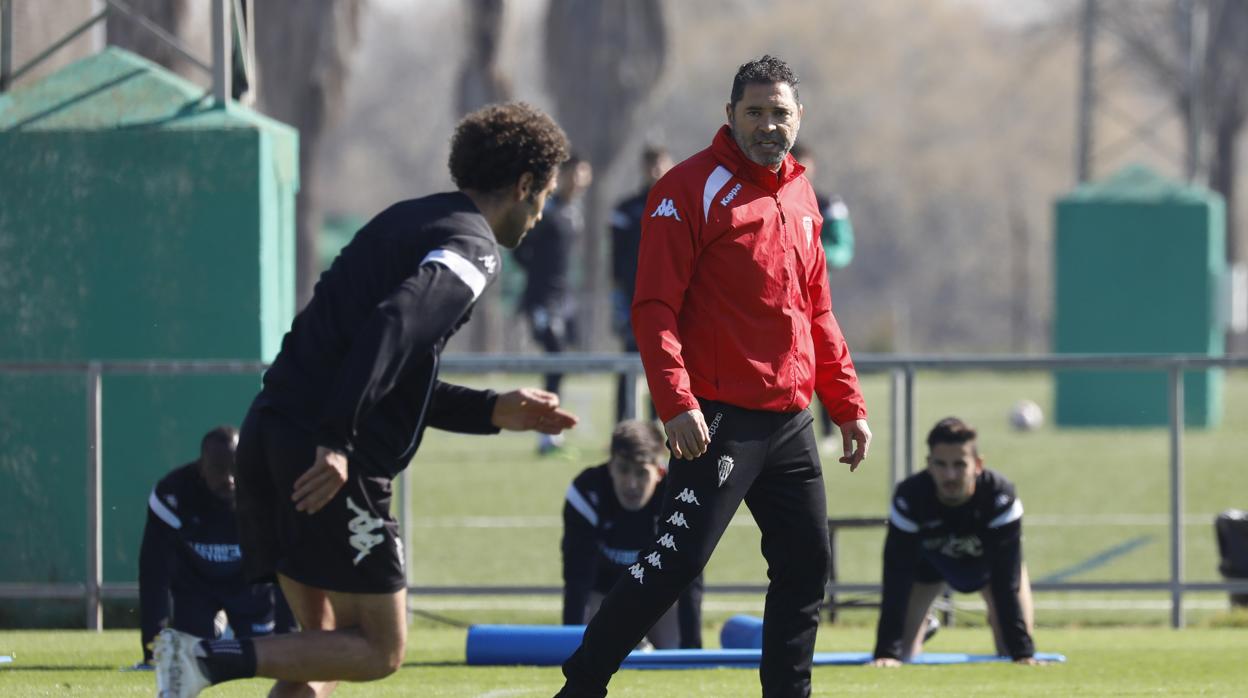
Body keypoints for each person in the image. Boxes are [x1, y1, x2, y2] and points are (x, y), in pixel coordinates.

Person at [154, 102, 579, 698]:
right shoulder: (474, 247)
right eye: (545, 197)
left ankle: (206, 659)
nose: (540, 216)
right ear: (525, 184)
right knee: (379, 648)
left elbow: (378, 363)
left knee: (320, 650)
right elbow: (394, 325)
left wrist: (487, 410)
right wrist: (336, 440)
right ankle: (205, 659)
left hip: (271, 433)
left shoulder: (411, 219)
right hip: (325, 462)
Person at [557, 55, 873, 698]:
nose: (768, 125)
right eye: (754, 112)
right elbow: (653, 308)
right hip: (718, 418)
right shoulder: (686, 189)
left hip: (790, 421)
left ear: (798, 118)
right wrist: (675, 401)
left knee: (806, 567)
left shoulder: (803, 193)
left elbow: (817, 309)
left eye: (779, 113)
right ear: (729, 116)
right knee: (675, 562)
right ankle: (583, 685)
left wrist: (847, 404)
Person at [870, 417, 1040, 666]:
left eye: (959, 464)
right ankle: (925, 623)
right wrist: (886, 653)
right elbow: (897, 576)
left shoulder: (999, 496)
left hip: (994, 572)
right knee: (903, 655)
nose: (950, 475)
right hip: (930, 569)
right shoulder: (910, 497)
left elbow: (1007, 580)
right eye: (941, 464)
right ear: (929, 464)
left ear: (978, 464)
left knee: (1009, 650)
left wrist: (1023, 653)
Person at [132, 426, 295, 671]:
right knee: (194, 654)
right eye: (219, 469)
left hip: (248, 584)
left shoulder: (264, 491)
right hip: (196, 586)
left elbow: (285, 564)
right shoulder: (174, 493)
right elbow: (154, 571)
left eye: (234, 469)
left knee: (262, 655)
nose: (228, 479)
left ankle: (234, 631)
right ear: (201, 466)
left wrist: (287, 637)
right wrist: (152, 650)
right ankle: (216, 628)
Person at [562, 420, 703, 650]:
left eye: (641, 473)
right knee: (589, 648)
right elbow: (577, 578)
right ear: (610, 466)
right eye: (623, 469)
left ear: (659, 472)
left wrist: (692, 648)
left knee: (676, 648)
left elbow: (690, 575)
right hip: (604, 593)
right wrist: (567, 645)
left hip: (657, 593)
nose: (632, 484)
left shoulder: (679, 494)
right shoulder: (587, 493)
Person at [513, 154, 594, 454]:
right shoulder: (548, 208)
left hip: (566, 299)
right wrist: (537, 280)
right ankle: (546, 433)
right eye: (573, 173)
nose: (578, 179)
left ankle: (551, 426)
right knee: (555, 356)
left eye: (583, 174)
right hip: (543, 300)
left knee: (564, 362)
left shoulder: (576, 211)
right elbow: (520, 249)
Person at [788, 144, 855, 451]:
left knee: (822, 359)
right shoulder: (771, 200)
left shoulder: (827, 203)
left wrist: (812, 258)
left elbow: (843, 248)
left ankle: (829, 430)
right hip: (781, 302)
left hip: (816, 298)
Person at [608, 146, 673, 423]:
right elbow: (614, 259)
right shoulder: (627, 209)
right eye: (651, 165)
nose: (656, 170)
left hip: (671, 297)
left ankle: (660, 424)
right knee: (631, 360)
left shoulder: (681, 203)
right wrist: (618, 298)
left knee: (667, 363)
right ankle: (624, 425)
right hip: (634, 298)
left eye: (660, 164)